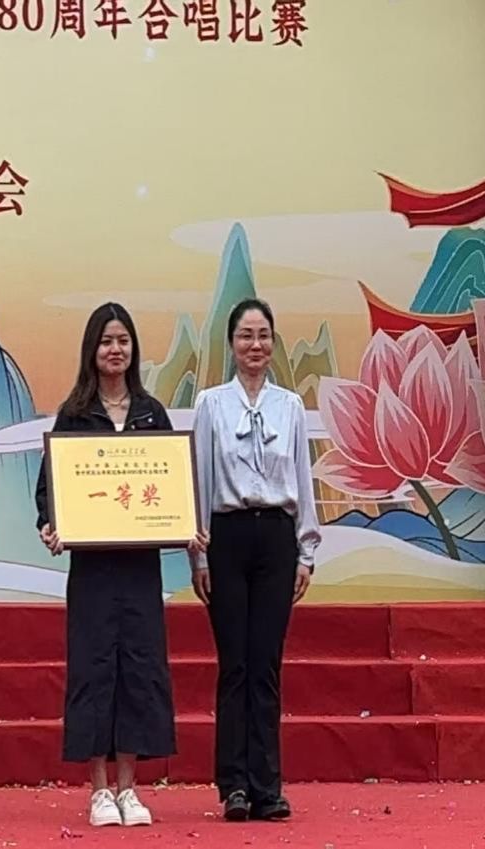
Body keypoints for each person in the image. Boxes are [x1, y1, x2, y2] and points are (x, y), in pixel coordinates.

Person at [35, 303, 208, 828]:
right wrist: (52, 525)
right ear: (92, 349)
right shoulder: (74, 414)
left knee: (138, 667)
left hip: (138, 568)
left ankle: (130, 788)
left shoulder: (152, 413)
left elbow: (175, 486)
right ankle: (98, 790)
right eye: (107, 341)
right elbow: (48, 491)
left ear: (133, 349)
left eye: (123, 341)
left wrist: (186, 525)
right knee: (93, 669)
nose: (116, 349)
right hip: (92, 569)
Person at [190, 298, 321, 823]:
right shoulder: (211, 404)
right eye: (245, 335)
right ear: (231, 343)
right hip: (226, 536)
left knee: (266, 663)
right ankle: (234, 786)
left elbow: (303, 480)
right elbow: (200, 479)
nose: (255, 345)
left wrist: (306, 551)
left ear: (273, 342)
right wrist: (197, 557)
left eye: (263, 335)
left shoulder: (290, 406)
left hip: (276, 539)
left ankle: (268, 786)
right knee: (234, 664)